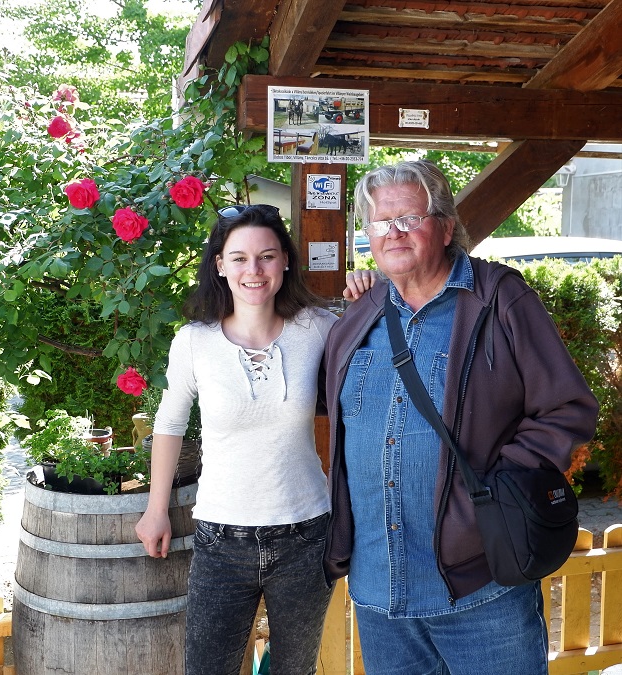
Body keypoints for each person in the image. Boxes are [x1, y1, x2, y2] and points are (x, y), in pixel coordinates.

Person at [321, 159, 599, 675]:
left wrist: (499, 488)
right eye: (381, 222)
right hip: (380, 591)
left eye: (410, 218)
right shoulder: (360, 313)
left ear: (446, 227)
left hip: (481, 586)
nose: (394, 232)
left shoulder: (498, 298)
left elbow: (567, 407)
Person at [136, 204, 370, 675]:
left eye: (266, 256)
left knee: (294, 670)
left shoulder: (318, 328)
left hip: (306, 533)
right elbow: (170, 423)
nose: (254, 270)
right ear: (220, 266)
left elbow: (378, 357)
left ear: (285, 260)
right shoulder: (194, 341)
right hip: (221, 537)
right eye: (239, 258)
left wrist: (370, 293)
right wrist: (156, 508)